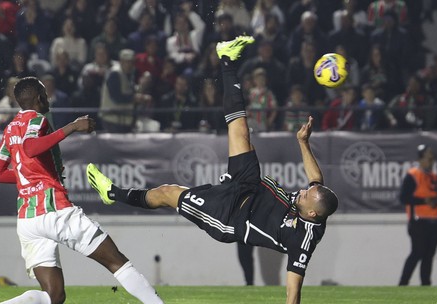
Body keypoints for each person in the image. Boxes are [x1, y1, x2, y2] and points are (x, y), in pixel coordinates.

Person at [86, 36, 338, 304]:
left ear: (311, 213)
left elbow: (293, 291)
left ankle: (112, 193)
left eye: (306, 196)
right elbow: (316, 181)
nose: (302, 191)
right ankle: (227, 60)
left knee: (167, 193)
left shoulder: (304, 240)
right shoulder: (314, 203)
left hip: (229, 216)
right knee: (240, 128)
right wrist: (303, 141)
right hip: (250, 184)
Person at [0, 77, 163, 304]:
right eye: (45, 94)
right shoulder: (36, 120)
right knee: (116, 261)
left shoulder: (10, 129)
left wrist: (32, 178)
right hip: (54, 210)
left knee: (54, 296)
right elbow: (30, 148)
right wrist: (73, 126)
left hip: (28, 220)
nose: (48, 98)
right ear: (40, 98)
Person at [399, 144, 437, 286]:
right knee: (417, 253)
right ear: (420, 159)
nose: (431, 160)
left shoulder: (435, 176)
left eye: (432, 157)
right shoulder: (413, 175)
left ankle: (425, 285)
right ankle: (403, 283)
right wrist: (424, 201)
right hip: (418, 221)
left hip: (434, 221)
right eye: (428, 156)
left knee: (429, 256)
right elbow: (404, 198)